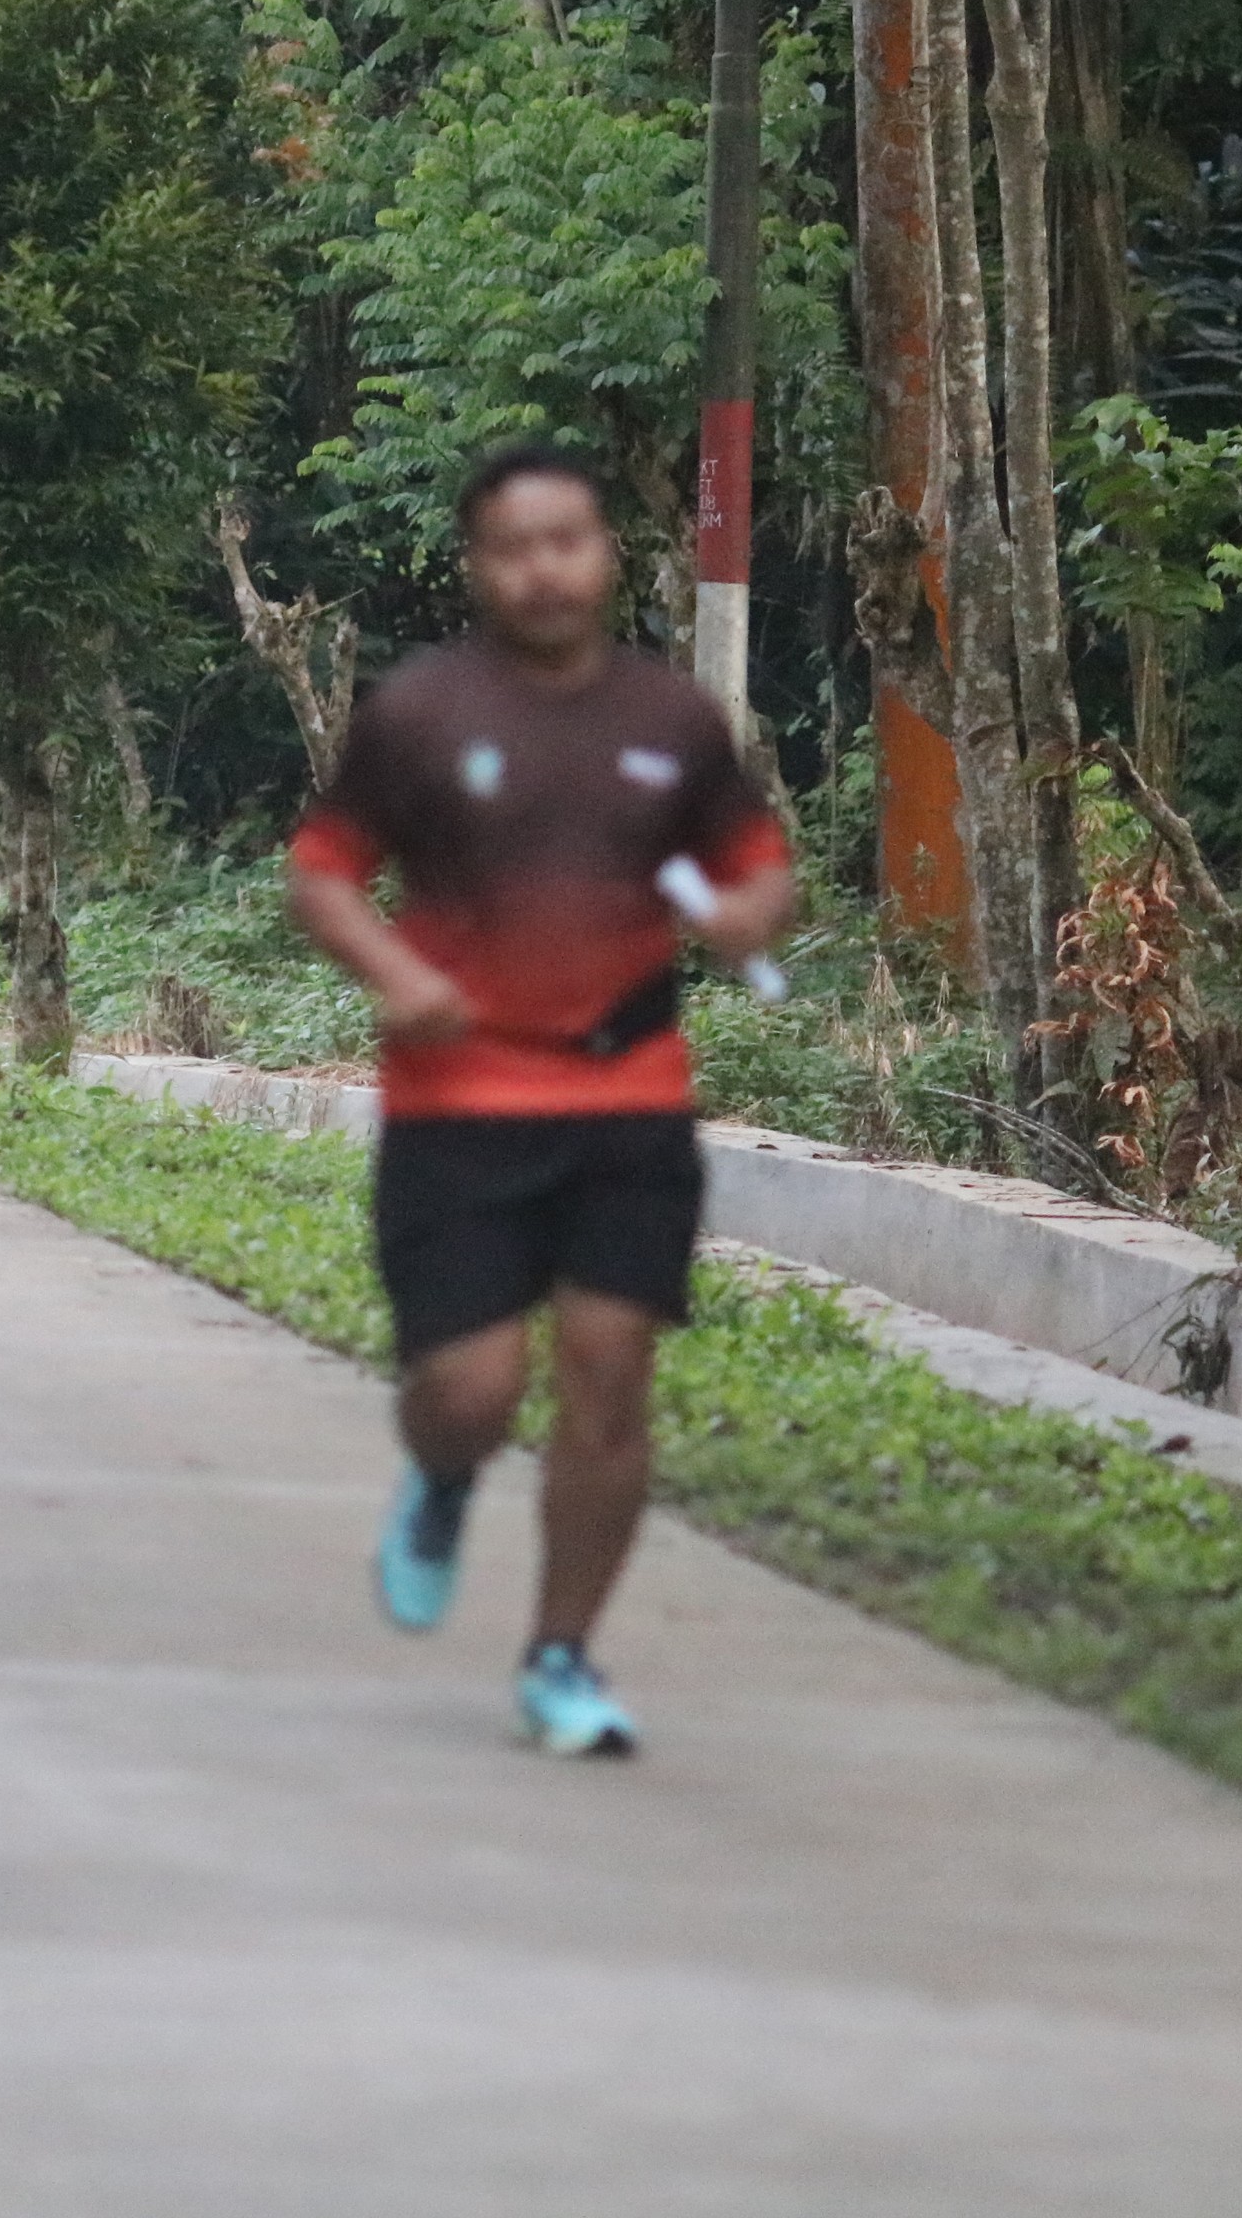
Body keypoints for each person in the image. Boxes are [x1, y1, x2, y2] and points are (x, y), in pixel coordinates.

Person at [287, 444, 796, 1757]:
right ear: (476, 565)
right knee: (471, 1391)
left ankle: (561, 1654)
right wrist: (396, 974)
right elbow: (324, 871)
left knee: (609, 1375)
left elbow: (756, 868)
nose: (544, 570)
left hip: (629, 1096)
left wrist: (749, 915)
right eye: (514, 548)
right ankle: (444, 1471)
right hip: (459, 1102)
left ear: (607, 553)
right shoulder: (419, 713)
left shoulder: (674, 721)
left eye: (567, 540)